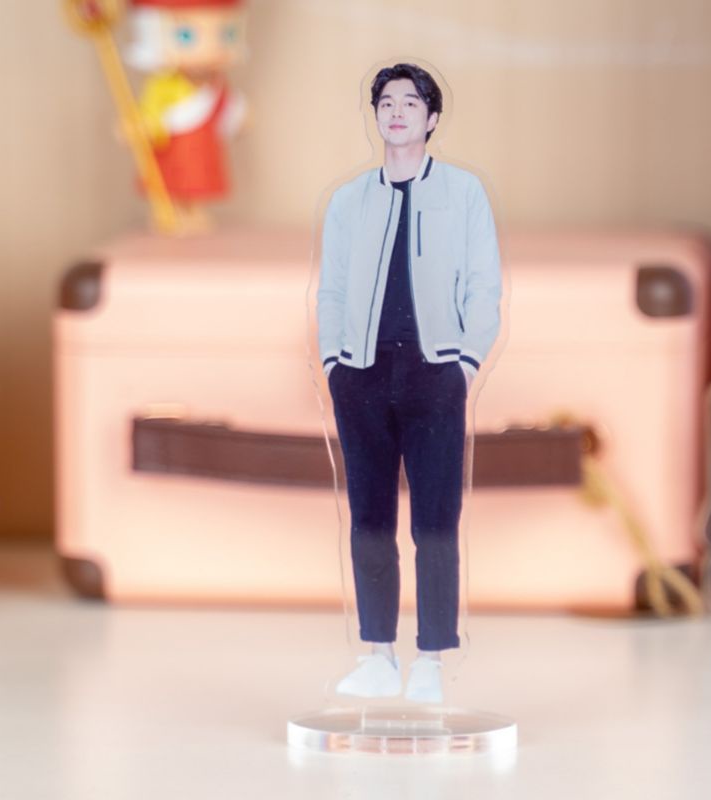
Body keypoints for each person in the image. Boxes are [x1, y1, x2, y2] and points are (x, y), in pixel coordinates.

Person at [317, 63, 502, 703]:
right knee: (369, 520)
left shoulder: (463, 192)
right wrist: (334, 364)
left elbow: (484, 287)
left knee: (436, 523)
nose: (396, 112)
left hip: (434, 373)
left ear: (432, 118)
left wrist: (465, 364)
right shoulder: (349, 201)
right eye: (387, 103)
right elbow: (332, 290)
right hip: (361, 374)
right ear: (376, 115)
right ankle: (378, 655)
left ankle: (431, 661)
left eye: (411, 102)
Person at [124, 0, 248, 232]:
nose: (211, 47)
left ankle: (193, 210)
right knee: (172, 178)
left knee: (198, 178)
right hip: (171, 149)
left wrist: (239, 119)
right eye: (186, 35)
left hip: (203, 148)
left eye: (227, 33)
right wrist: (139, 127)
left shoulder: (217, 85)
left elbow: (227, 110)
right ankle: (171, 210)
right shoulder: (163, 86)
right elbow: (150, 112)